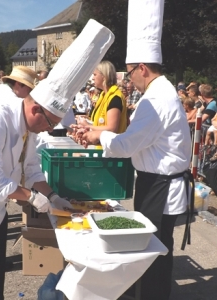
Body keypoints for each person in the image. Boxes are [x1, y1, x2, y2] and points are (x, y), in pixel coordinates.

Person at [0, 19, 114, 300]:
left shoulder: (30, 125)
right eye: (51, 122)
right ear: (36, 109)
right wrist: (30, 197)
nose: (51, 129)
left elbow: (30, 168)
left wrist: (52, 196)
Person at [82, 1, 192, 299]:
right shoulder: (158, 93)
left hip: (160, 186)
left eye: (129, 73)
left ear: (142, 68)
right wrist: (98, 134)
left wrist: (96, 137)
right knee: (153, 249)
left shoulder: (156, 100)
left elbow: (126, 144)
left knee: (154, 252)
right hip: (155, 182)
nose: (127, 79)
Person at [76, 60, 128, 149]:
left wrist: (87, 125)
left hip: (112, 152)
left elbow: (112, 129)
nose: (93, 78)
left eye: (95, 75)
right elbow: (99, 123)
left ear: (104, 76)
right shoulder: (103, 96)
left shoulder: (115, 97)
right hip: (102, 149)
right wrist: (84, 122)